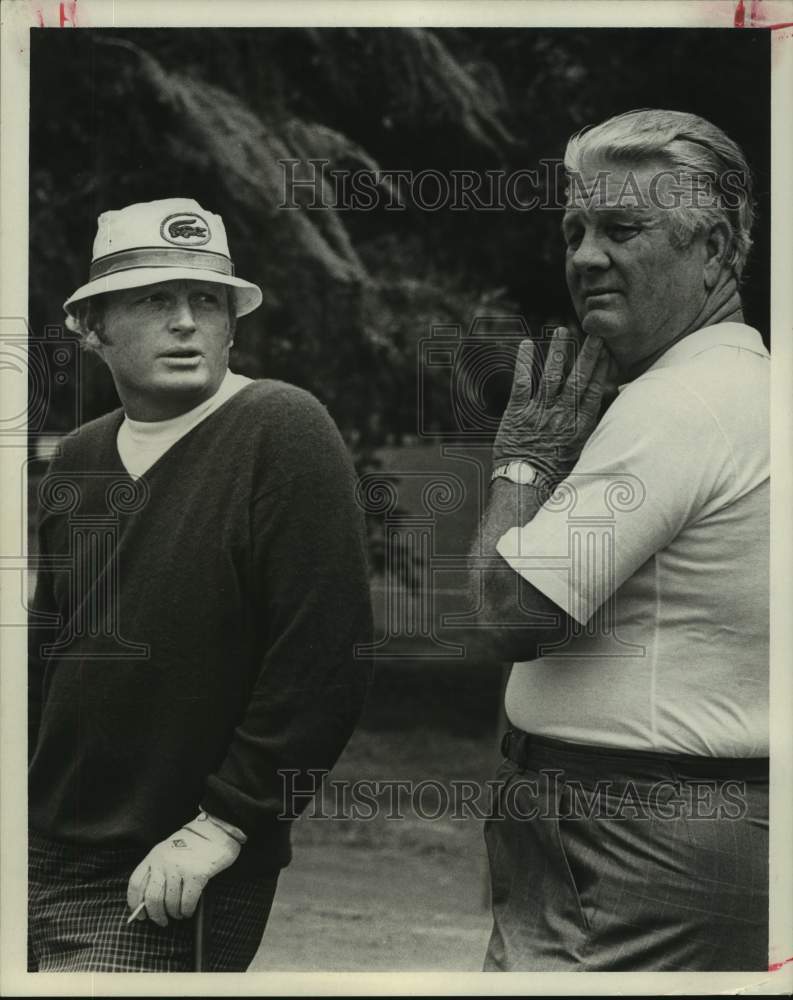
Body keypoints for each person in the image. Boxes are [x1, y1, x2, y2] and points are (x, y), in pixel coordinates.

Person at [27, 198, 373, 972]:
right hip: (37, 842)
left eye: (206, 301)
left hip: (170, 865)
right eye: (155, 299)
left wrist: (226, 824)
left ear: (231, 324)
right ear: (93, 328)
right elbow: (50, 654)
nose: (185, 321)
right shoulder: (78, 458)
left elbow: (325, 661)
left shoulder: (281, 429)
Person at [468, 110, 769, 971]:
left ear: (712, 250)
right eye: (575, 230)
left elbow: (506, 614)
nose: (585, 256)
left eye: (621, 229)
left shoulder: (677, 405)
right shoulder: (745, 387)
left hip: (625, 845)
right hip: (679, 832)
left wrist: (522, 461)